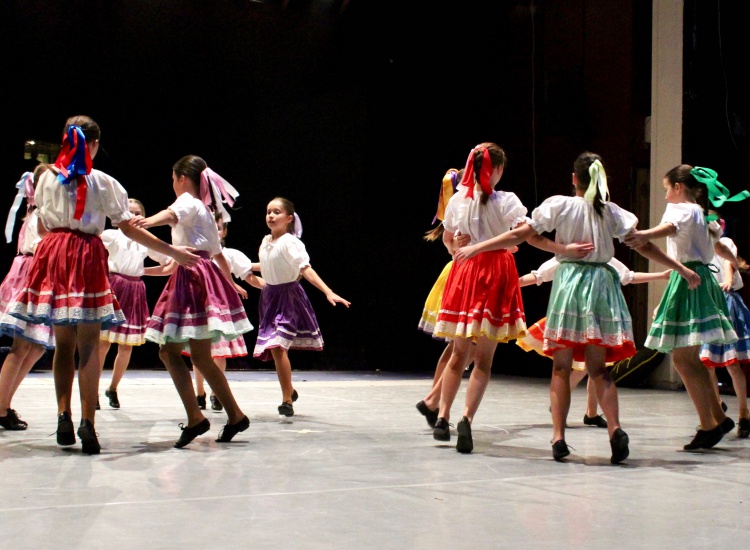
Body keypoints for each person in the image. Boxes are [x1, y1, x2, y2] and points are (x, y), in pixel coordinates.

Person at [455, 151, 699, 463]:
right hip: (602, 287)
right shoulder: (610, 211)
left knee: (561, 367)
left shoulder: (561, 205)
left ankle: (558, 437)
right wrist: (680, 268)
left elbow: (522, 234)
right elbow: (644, 245)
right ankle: (614, 428)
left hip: (570, 285)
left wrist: (477, 246)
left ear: (574, 179)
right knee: (598, 370)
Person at [7, 116, 200, 454]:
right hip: (85, 255)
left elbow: (41, 225)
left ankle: (63, 415)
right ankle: (88, 422)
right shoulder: (103, 182)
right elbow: (129, 228)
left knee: (63, 345)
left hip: (55, 253)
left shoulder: (46, 178)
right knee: (89, 345)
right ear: (94, 144)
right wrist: (173, 252)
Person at [430, 143, 593, 454]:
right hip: (494, 273)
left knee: (458, 354)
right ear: (499, 169)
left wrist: (459, 247)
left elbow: (449, 242)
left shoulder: (459, 201)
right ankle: (466, 417)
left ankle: (443, 416)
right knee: (483, 360)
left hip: (465, 271)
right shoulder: (506, 201)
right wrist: (562, 250)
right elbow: (529, 235)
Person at [134, 155, 252, 448]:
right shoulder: (206, 211)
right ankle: (232, 415)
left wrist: (145, 222)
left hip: (191, 275)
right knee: (199, 357)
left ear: (182, 178)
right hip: (202, 274)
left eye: (173, 179)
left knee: (169, 351)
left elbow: (171, 214)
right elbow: (218, 255)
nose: (173, 184)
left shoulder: (188, 201)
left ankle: (197, 417)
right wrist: (229, 285)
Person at [623, 165, 744, 450]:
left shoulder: (682, 209)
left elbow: (670, 228)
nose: (666, 196)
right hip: (702, 280)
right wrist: (734, 261)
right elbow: (719, 247)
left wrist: (645, 234)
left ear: (678, 187)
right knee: (691, 359)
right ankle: (717, 418)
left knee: (682, 359)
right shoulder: (703, 214)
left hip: (689, 279)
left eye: (667, 189)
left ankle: (709, 425)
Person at [517, 256, 672, 428]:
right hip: (573, 317)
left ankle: (590, 413)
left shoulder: (604, 257)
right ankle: (565, 408)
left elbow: (628, 276)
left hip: (595, 318)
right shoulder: (567, 256)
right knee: (579, 367)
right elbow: (539, 275)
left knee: (595, 367)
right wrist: (511, 284)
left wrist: (661, 275)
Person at [253, 197, 350, 417]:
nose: (271, 216)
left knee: (278, 347)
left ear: (289, 218)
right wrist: (240, 265)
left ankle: (286, 400)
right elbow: (267, 264)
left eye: (276, 212)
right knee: (276, 349)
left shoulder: (290, 242)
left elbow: (305, 269)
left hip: (288, 298)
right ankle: (289, 390)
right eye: (268, 211)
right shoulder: (266, 241)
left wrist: (328, 291)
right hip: (269, 298)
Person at [97, 198, 172, 409]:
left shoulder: (146, 240)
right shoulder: (111, 235)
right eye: (129, 212)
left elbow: (169, 264)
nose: (133, 216)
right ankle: (92, 390)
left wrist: (142, 271)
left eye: (137, 212)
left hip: (134, 289)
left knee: (126, 345)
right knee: (102, 343)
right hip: (113, 285)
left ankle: (113, 388)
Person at [415, 168, 475, 428]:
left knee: (456, 347)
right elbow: (451, 243)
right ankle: (433, 400)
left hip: (458, 274)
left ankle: (434, 401)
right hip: (464, 277)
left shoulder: (461, 206)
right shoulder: (464, 206)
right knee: (468, 347)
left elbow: (449, 242)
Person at [0, 164, 55, 430]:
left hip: (41, 273)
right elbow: (46, 239)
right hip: (32, 273)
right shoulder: (41, 212)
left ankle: (4, 403)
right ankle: (1, 408)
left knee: (37, 346)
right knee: (22, 345)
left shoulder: (41, 211)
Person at [192, 210, 264, 412]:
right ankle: (199, 393)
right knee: (199, 350)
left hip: (220, 307)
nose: (214, 230)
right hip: (200, 303)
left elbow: (250, 276)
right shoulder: (195, 252)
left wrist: (273, 288)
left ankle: (216, 392)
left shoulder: (230, 255)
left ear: (223, 232)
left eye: (218, 227)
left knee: (220, 352)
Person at [696, 215, 750, 438]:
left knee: (732, 363)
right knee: (706, 363)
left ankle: (744, 414)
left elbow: (729, 262)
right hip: (709, 304)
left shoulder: (725, 243)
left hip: (726, 303)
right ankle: (717, 408)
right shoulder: (699, 250)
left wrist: (727, 280)